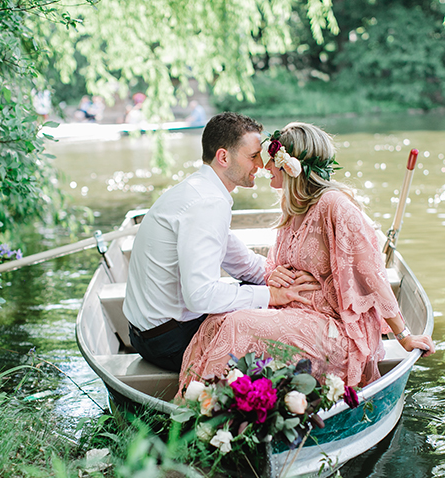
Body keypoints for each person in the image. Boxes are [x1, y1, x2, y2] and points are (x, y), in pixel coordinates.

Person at [178, 122, 435, 393]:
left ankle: (208, 412)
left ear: (290, 166)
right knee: (215, 320)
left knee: (236, 324)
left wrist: (404, 336)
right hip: (293, 312)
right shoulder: (291, 209)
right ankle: (192, 403)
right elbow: (277, 265)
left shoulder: (334, 206)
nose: (264, 167)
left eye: (269, 160)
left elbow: (372, 276)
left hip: (334, 328)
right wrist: (274, 274)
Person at [122, 113, 320, 372]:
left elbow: (241, 261)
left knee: (256, 291)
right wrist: (272, 294)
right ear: (224, 157)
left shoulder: (198, 190)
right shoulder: (207, 203)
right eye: (252, 156)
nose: (261, 164)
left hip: (146, 333)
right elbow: (200, 297)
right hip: (169, 342)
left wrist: (279, 275)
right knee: (283, 331)